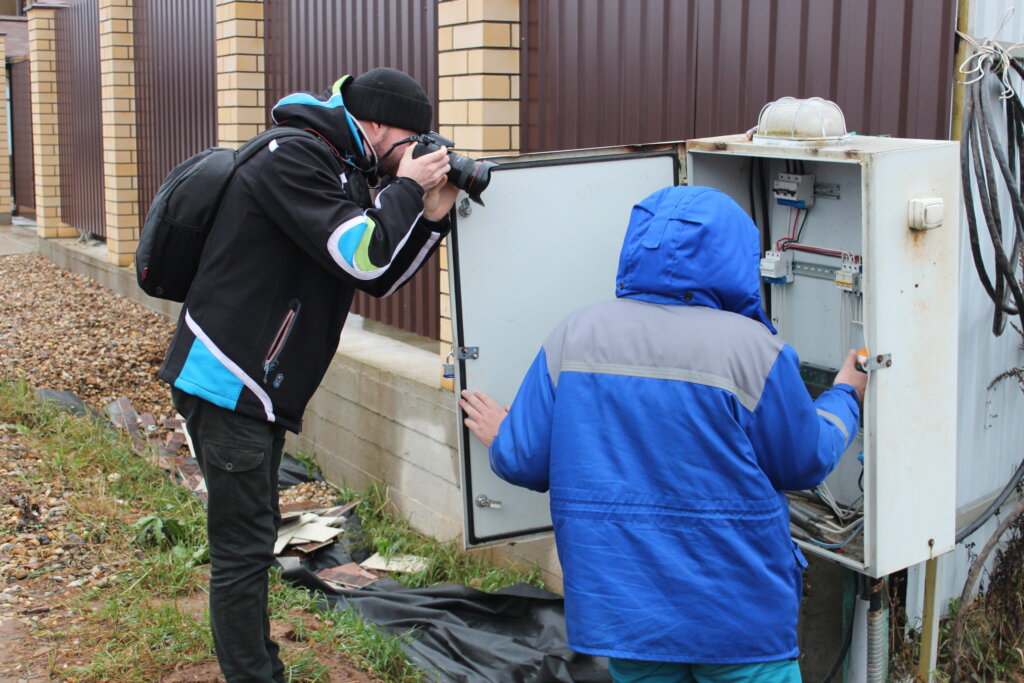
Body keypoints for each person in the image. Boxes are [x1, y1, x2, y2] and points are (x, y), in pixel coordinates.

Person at [459, 185, 866, 683]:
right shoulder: (755, 351)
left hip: (629, 613)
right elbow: (805, 461)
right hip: (739, 618)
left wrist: (505, 432)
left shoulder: (574, 335)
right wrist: (846, 394)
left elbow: (525, 460)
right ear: (735, 257)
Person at [159, 67, 459, 681]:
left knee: (253, 539)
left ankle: (256, 665)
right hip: (228, 378)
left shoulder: (340, 166)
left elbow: (376, 274)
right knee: (243, 553)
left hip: (256, 384)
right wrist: (404, 187)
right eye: (409, 141)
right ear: (373, 124)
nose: (414, 155)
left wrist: (431, 217)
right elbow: (360, 250)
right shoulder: (291, 157)